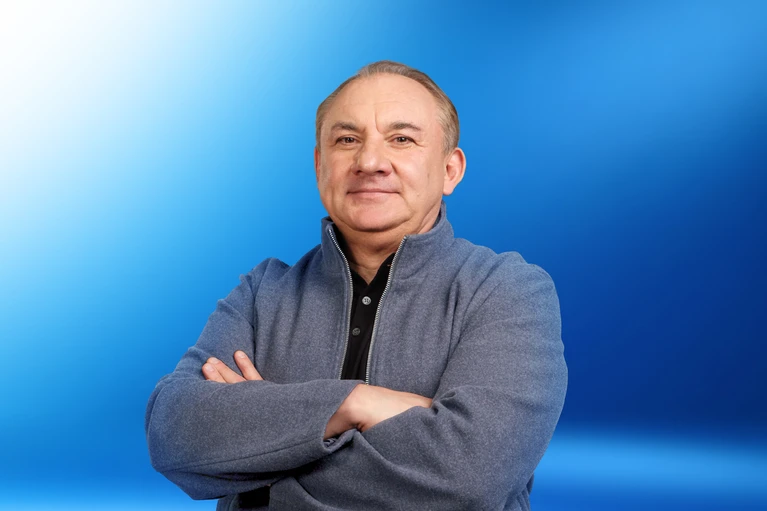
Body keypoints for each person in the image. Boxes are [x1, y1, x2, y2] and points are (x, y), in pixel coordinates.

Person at [145, 60, 568, 511]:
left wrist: (260, 477)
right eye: (347, 140)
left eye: (401, 140)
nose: (369, 162)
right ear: (319, 165)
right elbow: (174, 435)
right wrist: (357, 403)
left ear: (450, 170)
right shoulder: (261, 293)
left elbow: (471, 473)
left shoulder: (507, 291)